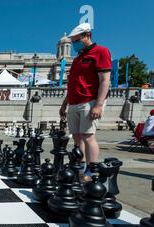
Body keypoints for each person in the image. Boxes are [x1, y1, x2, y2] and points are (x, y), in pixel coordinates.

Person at [59, 23, 111, 181]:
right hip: (74, 101)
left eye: (76, 40)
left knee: (88, 136)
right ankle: (80, 167)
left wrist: (99, 105)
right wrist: (64, 104)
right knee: (76, 137)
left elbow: (104, 80)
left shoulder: (101, 52)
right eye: (73, 41)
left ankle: (91, 170)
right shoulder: (77, 59)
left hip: (90, 100)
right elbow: (72, 84)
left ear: (87, 35)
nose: (74, 44)